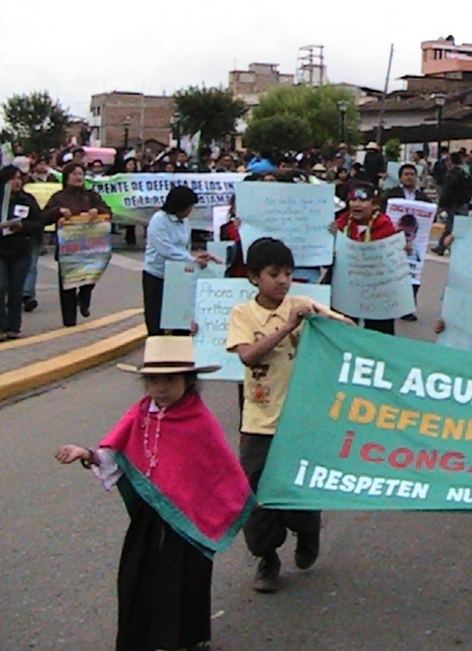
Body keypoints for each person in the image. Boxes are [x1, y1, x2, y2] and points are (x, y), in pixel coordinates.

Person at [54, 336, 253, 651]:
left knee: (182, 577)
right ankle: (142, 637)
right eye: (153, 380)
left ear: (188, 381)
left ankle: (187, 638)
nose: (161, 388)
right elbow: (114, 450)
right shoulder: (141, 412)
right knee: (138, 573)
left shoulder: (199, 420)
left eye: (170, 379)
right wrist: (86, 453)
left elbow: (221, 469)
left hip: (188, 517)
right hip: (151, 513)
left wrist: (220, 504)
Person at [227, 238, 353, 593]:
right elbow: (249, 356)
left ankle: (307, 528)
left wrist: (328, 320)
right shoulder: (243, 314)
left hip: (300, 419)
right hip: (258, 422)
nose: (283, 281)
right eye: (273, 274)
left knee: (298, 487)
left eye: (288, 273)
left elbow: (347, 332)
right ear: (254, 277)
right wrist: (286, 327)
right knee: (257, 493)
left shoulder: (303, 304)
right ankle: (267, 557)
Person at [42, 161, 112, 327]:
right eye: (74, 174)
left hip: (91, 248)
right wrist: (58, 211)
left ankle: (84, 299)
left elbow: (108, 211)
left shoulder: (91, 196)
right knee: (68, 285)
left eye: (80, 173)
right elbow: (43, 217)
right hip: (68, 249)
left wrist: (97, 211)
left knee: (91, 276)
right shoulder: (59, 197)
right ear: (67, 178)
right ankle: (69, 321)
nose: (78, 177)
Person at [142, 186, 219, 336]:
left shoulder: (185, 222)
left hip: (179, 274)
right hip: (157, 274)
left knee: (180, 317)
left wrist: (196, 259)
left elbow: (185, 246)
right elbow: (166, 249)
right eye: (189, 207)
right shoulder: (159, 221)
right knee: (155, 316)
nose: (190, 211)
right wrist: (192, 259)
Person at [332, 181, 400, 335]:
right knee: (342, 331)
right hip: (346, 288)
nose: (357, 204)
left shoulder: (387, 228)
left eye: (363, 200)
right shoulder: (340, 225)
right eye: (353, 200)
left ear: (374, 205)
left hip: (377, 290)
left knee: (378, 335)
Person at [0, 166, 43, 340]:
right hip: (1, 250)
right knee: (1, 286)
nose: (16, 182)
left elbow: (39, 223)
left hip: (20, 250)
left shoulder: (27, 200)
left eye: (19, 178)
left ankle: (13, 327)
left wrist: (23, 227)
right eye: (12, 178)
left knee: (16, 290)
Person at [433, 151, 472, 256]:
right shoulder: (464, 173)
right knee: (458, 225)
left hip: (453, 203)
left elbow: (447, 190)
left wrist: (442, 204)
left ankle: (442, 246)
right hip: (463, 203)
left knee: (451, 225)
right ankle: (444, 246)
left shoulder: (451, 174)